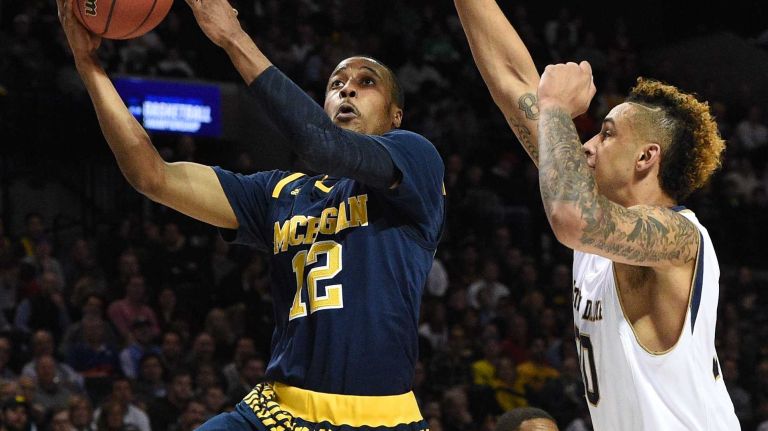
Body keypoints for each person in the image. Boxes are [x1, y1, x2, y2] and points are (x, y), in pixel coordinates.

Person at [56, 0, 444, 430]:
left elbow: (322, 146)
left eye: (365, 82)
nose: (346, 90)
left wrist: (233, 38)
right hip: (276, 411)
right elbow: (151, 176)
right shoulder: (278, 193)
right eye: (336, 83)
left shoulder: (416, 159)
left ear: (395, 115)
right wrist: (88, 64)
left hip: (381, 418)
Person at [454, 0, 739, 429]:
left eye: (606, 134)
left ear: (645, 157)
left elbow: (573, 218)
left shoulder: (679, 238)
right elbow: (514, 84)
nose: (586, 145)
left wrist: (555, 107)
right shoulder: (596, 213)